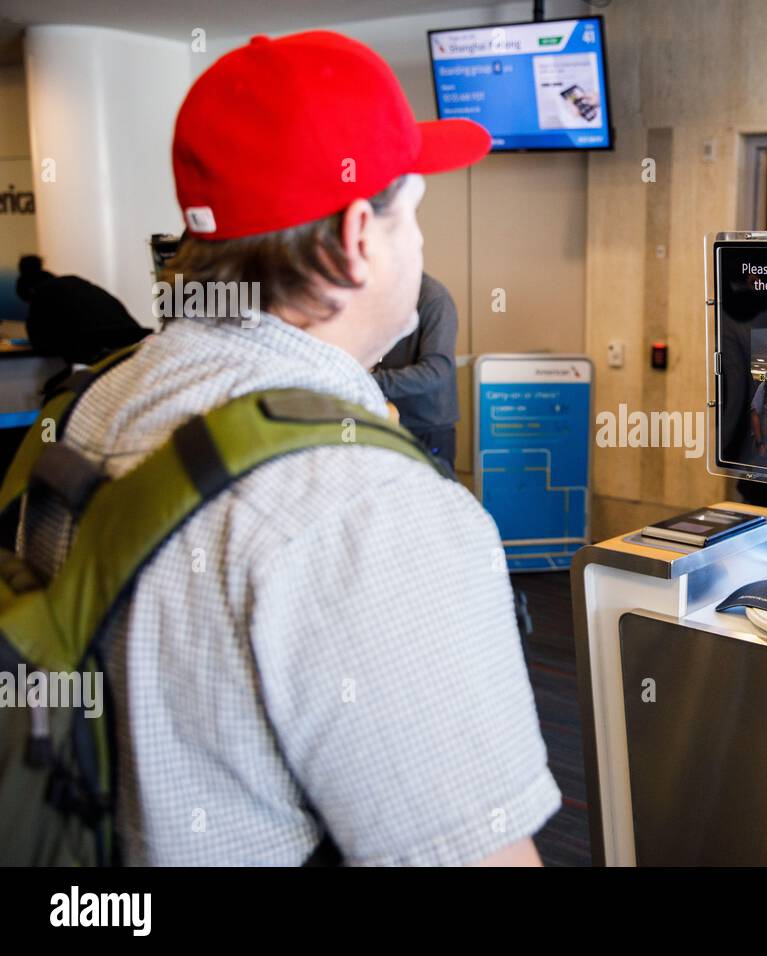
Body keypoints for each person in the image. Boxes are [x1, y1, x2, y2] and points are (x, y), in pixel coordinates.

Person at [18, 31, 559, 865]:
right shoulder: (370, 510)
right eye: (412, 212)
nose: (418, 244)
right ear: (358, 240)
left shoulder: (97, 400)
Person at [372, 272, 459, 466]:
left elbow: (436, 371)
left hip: (427, 427)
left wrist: (371, 382)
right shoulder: (390, 296)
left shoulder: (434, 299)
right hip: (391, 419)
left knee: (432, 495)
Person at [16, 255, 149, 379]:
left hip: (95, 346)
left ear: (29, 291)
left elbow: (39, 341)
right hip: (132, 337)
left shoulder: (42, 293)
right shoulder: (77, 284)